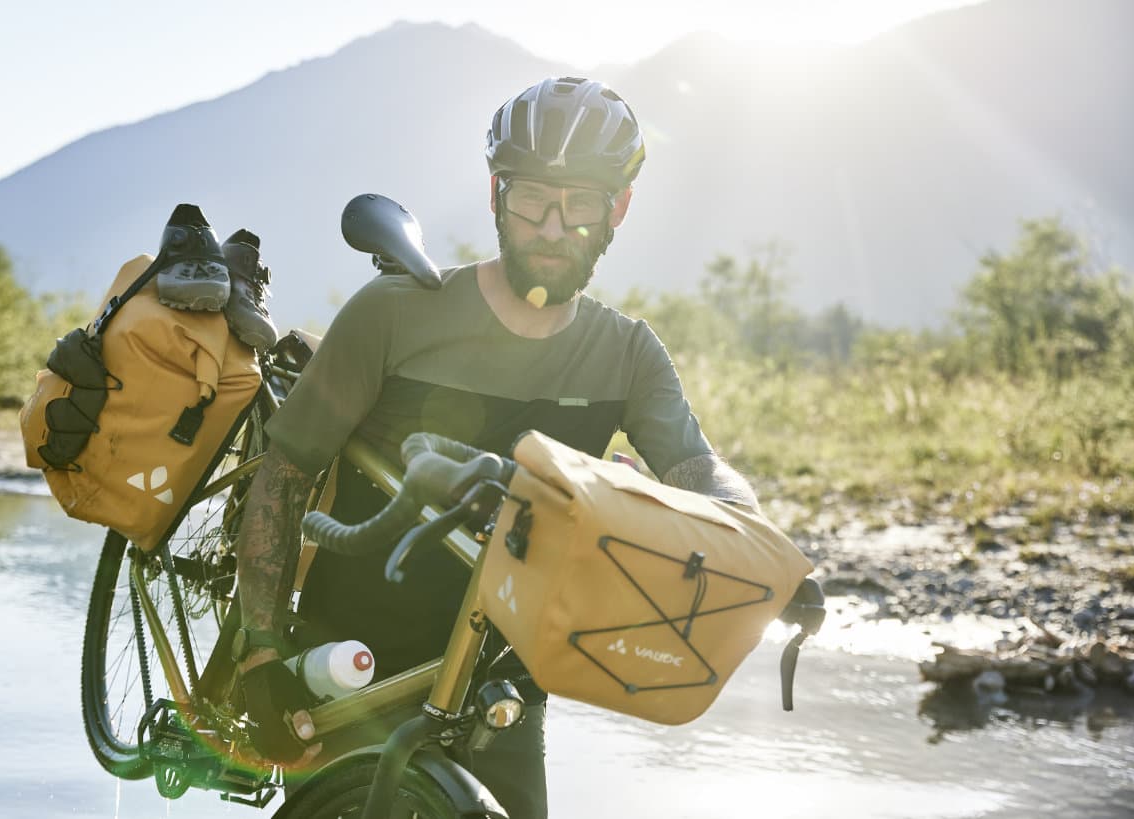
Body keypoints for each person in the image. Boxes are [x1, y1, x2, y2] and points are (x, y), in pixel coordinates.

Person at [231, 76, 759, 819]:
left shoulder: (628, 354)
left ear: (619, 208)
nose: (553, 226)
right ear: (494, 195)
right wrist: (260, 647)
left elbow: (696, 466)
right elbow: (287, 473)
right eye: (533, 199)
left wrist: (754, 533)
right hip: (354, 665)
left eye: (580, 204)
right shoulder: (393, 316)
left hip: (500, 675)